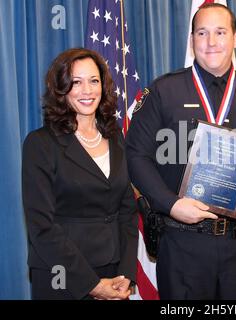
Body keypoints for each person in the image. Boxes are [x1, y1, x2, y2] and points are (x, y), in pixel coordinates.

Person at [126, 3, 236, 299]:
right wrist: (170, 204)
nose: (212, 42)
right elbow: (135, 156)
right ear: (192, 39)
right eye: (202, 33)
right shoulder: (163, 92)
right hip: (184, 241)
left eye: (220, 32)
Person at [22, 48, 139, 300]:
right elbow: (41, 227)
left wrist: (127, 272)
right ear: (61, 89)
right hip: (62, 275)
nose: (87, 90)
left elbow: (127, 209)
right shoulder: (40, 144)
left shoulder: (116, 136)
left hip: (114, 273)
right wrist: (92, 285)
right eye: (76, 82)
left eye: (94, 81)